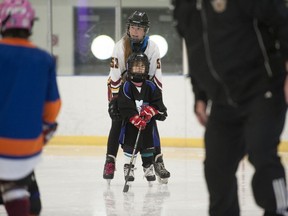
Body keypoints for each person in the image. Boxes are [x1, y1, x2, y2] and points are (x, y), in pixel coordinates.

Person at [173, 0, 288, 215]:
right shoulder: (184, 6)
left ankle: (278, 210)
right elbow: (196, 48)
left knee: (262, 152)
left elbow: (282, 20)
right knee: (216, 167)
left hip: (263, 89)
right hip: (223, 101)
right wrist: (200, 95)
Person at [0, 0, 61, 215]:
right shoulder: (44, 59)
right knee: (18, 188)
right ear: (30, 25)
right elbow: (52, 107)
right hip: (25, 152)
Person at [103, 10, 170, 183]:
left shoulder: (153, 48)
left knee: (150, 122)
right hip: (124, 89)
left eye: (139, 28)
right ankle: (110, 160)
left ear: (145, 30)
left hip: (144, 88)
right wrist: (114, 102)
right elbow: (115, 75)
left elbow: (156, 77)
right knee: (117, 121)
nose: (135, 31)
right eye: (132, 27)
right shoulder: (120, 46)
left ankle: (158, 161)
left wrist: (156, 104)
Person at [117, 52, 168, 183]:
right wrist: (133, 117)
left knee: (148, 145)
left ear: (146, 68)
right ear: (129, 68)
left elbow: (160, 107)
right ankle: (128, 167)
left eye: (141, 66)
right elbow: (124, 105)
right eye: (136, 66)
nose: (139, 68)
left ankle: (148, 167)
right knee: (129, 144)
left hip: (147, 125)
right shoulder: (126, 86)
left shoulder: (151, 86)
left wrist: (152, 110)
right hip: (130, 125)